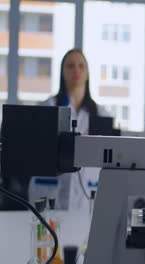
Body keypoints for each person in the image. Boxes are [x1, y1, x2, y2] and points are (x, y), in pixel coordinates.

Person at [28, 49, 109, 210]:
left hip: (87, 188)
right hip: (50, 187)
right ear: (62, 72)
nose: (76, 70)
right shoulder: (48, 107)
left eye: (81, 66)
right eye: (70, 66)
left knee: (84, 232)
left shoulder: (100, 113)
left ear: (87, 72)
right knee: (46, 231)